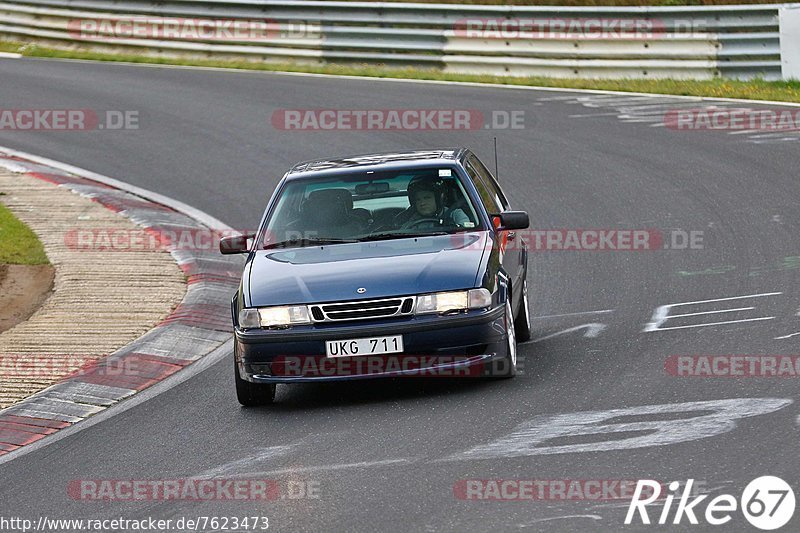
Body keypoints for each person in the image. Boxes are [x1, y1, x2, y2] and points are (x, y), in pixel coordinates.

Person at [394, 174, 470, 229]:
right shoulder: (410, 221)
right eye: (418, 199)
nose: (422, 203)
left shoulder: (455, 214)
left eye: (427, 197)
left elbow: (467, 233)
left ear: (440, 198)